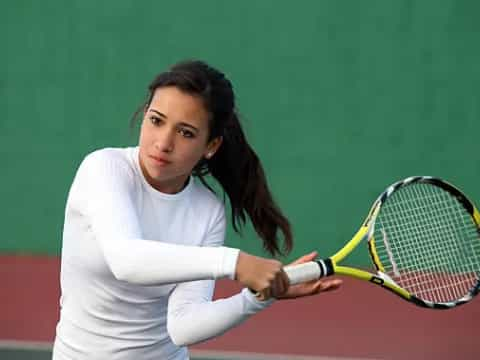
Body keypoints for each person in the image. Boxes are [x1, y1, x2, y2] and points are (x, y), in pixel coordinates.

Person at [52, 60, 342, 360]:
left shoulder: (207, 210)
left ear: (211, 145)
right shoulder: (104, 169)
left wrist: (257, 298)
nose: (163, 142)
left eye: (186, 133)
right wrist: (237, 262)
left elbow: (184, 327)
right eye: (156, 120)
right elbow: (126, 260)